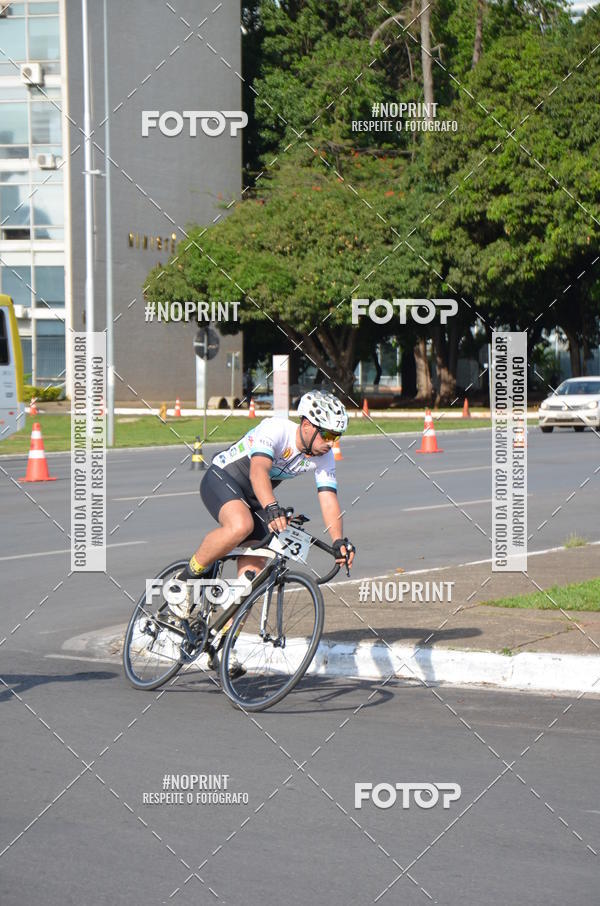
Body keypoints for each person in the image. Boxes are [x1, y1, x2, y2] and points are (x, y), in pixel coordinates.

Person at [172, 390, 356, 624]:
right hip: (222, 477)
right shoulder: (276, 429)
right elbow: (258, 469)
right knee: (241, 525)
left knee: (250, 583)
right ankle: (184, 581)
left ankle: (221, 646)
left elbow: (328, 497)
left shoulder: (323, 456)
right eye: (328, 434)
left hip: (255, 497)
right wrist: (271, 506)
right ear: (308, 425)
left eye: (337, 437)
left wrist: (338, 541)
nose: (331, 443)